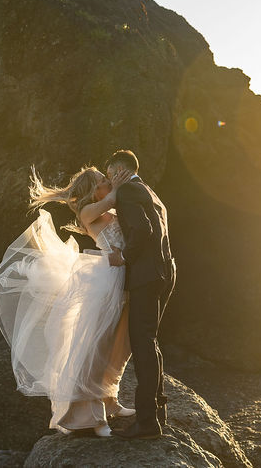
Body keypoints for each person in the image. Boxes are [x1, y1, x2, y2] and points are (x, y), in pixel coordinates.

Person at [0, 165, 135, 437]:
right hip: (105, 282)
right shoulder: (88, 212)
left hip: (124, 281)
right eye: (103, 180)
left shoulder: (109, 209)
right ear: (94, 191)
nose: (108, 183)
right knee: (93, 347)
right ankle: (91, 418)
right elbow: (113, 198)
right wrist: (121, 182)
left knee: (119, 344)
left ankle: (109, 400)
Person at [105, 150, 175, 440]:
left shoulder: (128, 191)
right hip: (165, 271)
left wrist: (123, 256)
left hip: (146, 275)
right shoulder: (149, 191)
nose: (110, 184)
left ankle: (146, 423)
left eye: (110, 176)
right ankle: (158, 415)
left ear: (120, 171)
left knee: (143, 344)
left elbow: (143, 230)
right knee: (151, 342)